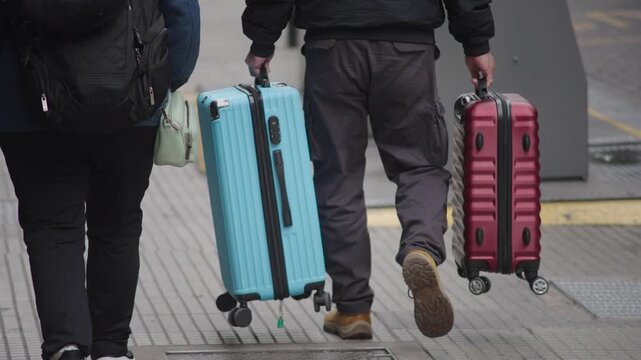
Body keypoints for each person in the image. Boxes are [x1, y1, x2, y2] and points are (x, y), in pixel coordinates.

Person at [242, 0, 496, 339]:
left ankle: (353, 308)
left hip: (331, 47)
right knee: (419, 165)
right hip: (407, 47)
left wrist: (262, 40)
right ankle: (420, 247)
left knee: (337, 174)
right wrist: (476, 43)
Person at [0, 1, 200, 359]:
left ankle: (66, 344)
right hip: (132, 98)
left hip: (27, 100)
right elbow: (182, 10)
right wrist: (167, 76)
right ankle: (110, 348)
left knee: (51, 225)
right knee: (118, 225)